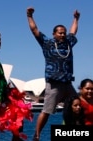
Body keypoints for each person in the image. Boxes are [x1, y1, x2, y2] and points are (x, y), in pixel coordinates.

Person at [26, 7, 80, 141]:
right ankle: (37, 135)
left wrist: (76, 18)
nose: (63, 35)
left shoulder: (68, 43)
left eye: (64, 33)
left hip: (67, 84)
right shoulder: (48, 43)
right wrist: (29, 15)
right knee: (47, 111)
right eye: (60, 33)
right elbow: (35, 30)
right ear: (54, 33)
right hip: (54, 84)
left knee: (78, 106)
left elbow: (73, 31)